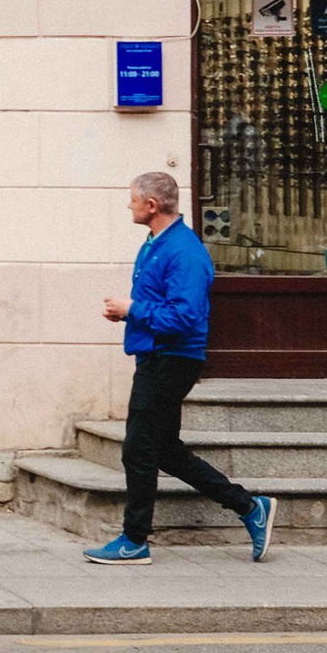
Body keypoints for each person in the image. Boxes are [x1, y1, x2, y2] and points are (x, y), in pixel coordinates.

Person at [85, 170, 277, 565]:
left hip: (173, 360)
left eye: (133, 198)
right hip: (155, 355)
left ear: (151, 205)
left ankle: (134, 540)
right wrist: (129, 316)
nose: (129, 204)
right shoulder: (157, 243)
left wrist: (133, 309)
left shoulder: (185, 252)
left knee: (138, 449)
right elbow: (163, 306)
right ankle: (250, 507)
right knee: (165, 451)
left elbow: (186, 317)